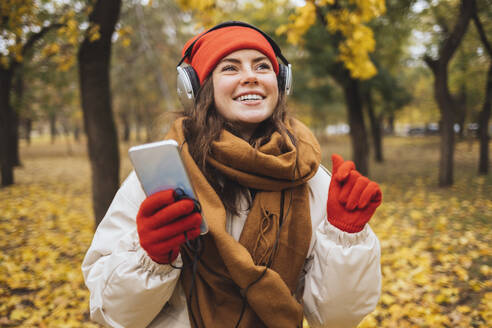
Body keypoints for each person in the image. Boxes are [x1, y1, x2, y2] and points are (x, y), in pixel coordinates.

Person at [82, 21, 382, 328]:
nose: (250, 76)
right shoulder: (163, 175)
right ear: (196, 88)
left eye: (262, 66)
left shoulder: (310, 178)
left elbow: (336, 319)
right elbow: (111, 313)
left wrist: (347, 238)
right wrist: (150, 257)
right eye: (230, 68)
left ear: (281, 82)